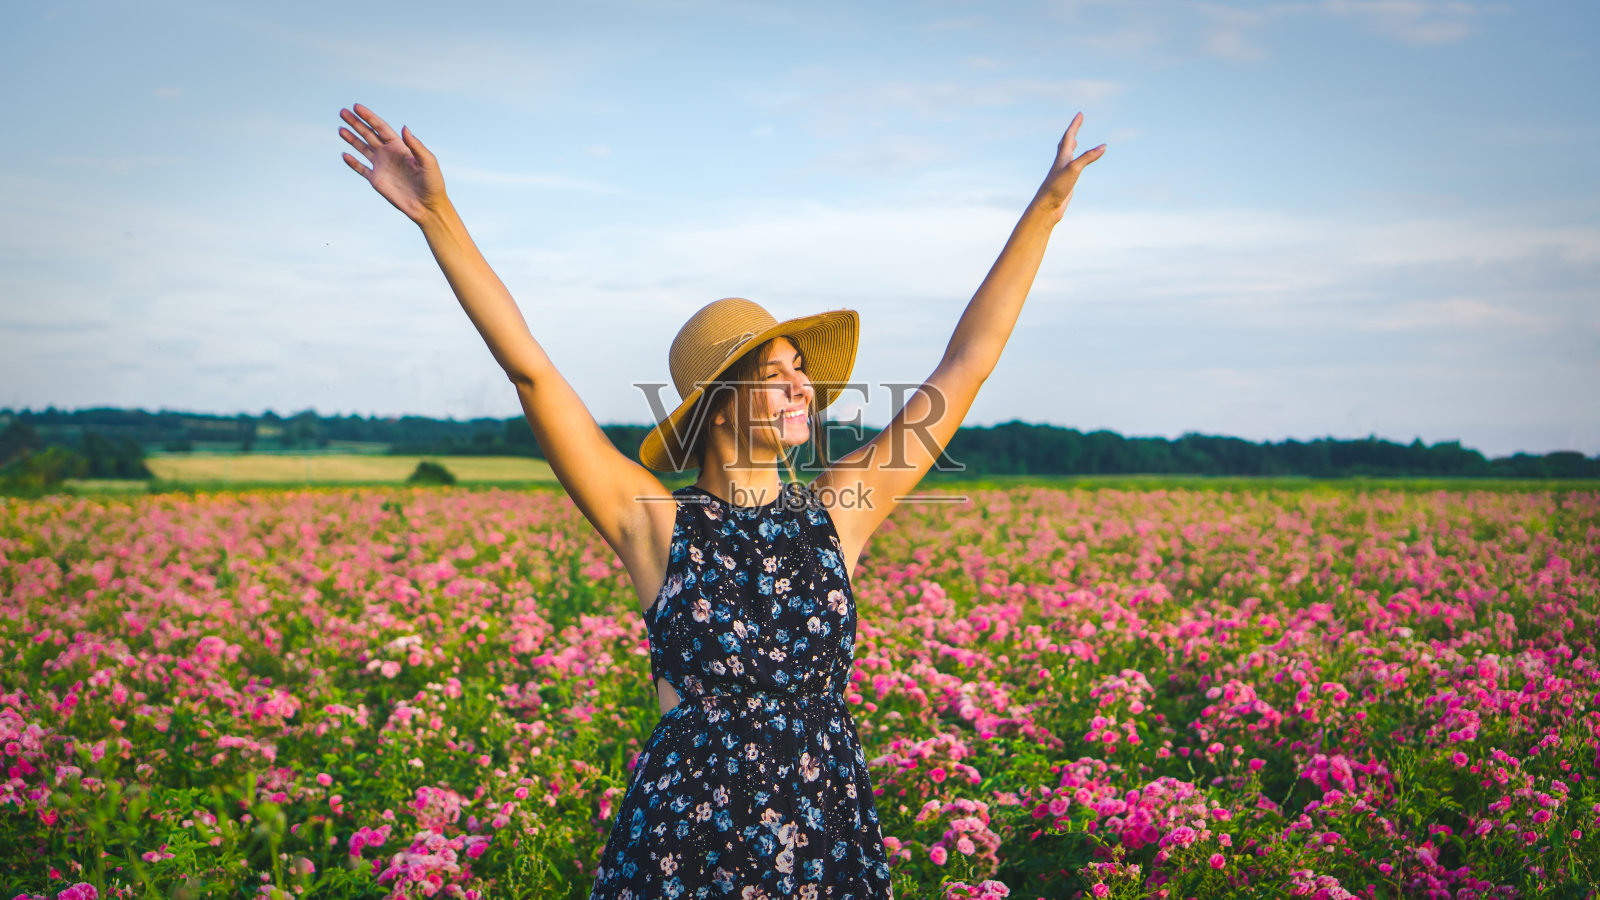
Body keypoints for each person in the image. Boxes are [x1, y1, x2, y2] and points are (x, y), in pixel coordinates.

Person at [337, 102, 1103, 899]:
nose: (801, 384)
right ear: (715, 404)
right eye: (774, 374)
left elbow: (965, 365)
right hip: (687, 844)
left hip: (825, 835)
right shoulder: (655, 523)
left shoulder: (840, 508)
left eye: (800, 368)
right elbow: (532, 371)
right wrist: (436, 214)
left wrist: (1044, 212)